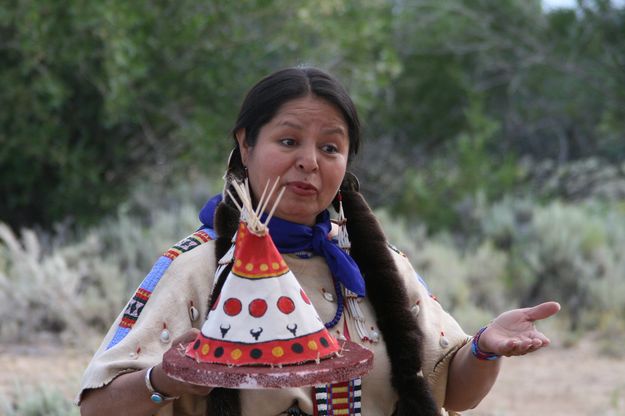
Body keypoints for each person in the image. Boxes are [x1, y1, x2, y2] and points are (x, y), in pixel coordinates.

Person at [77, 67, 560, 416]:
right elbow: (98, 407)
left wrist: (485, 348)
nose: (309, 160)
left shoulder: (381, 269)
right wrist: (165, 379)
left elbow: (452, 392)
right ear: (246, 145)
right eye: (288, 141)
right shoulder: (196, 267)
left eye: (330, 147)